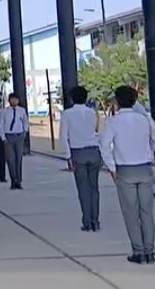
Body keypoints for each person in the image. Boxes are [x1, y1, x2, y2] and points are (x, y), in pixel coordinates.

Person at [100, 85, 155, 264]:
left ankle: (138, 252)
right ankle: (150, 251)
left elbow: (104, 147)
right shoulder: (145, 119)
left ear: (117, 102)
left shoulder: (112, 122)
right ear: (135, 100)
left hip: (125, 171)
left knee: (131, 213)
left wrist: (112, 167)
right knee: (146, 213)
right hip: (144, 168)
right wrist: (146, 151)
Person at [58, 86, 102, 232]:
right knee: (94, 188)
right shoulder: (92, 113)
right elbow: (99, 132)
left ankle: (87, 221)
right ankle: (96, 220)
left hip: (78, 152)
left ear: (71, 98)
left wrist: (68, 156)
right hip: (94, 151)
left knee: (83, 188)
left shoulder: (67, 114)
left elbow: (64, 136)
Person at [0, 94, 28, 190]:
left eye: (16, 99)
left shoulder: (21, 110)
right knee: (10, 160)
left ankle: (19, 181)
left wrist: (25, 132)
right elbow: (1, 125)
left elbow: (25, 122)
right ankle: (13, 180)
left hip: (19, 136)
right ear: (9, 100)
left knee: (18, 159)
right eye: (12, 99)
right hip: (9, 136)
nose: (14, 101)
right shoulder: (4, 111)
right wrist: (3, 138)